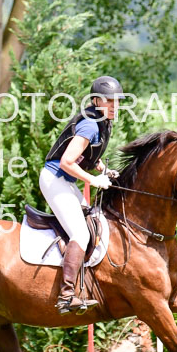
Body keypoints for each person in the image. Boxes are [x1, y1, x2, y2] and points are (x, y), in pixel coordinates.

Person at [40, 76, 125, 312]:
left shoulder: (103, 122)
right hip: (55, 179)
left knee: (90, 224)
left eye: (117, 101)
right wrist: (93, 180)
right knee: (80, 232)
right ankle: (66, 295)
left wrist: (103, 170)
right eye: (109, 101)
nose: (114, 105)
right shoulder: (90, 124)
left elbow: (89, 156)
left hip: (65, 182)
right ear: (96, 101)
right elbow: (67, 161)